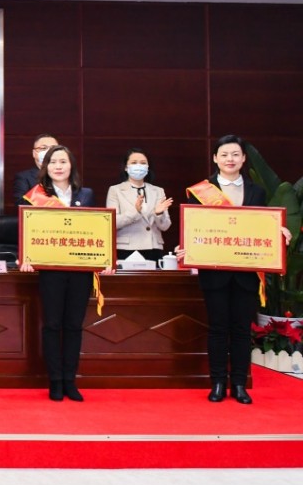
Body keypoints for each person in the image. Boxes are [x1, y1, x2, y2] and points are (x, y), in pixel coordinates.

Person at [184, 135, 291, 405]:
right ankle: (218, 383)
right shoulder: (202, 191)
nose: (229, 159)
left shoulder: (257, 192)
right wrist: (186, 248)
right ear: (215, 158)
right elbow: (194, 229)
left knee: (242, 329)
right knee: (218, 328)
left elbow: (263, 225)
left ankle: (240, 384)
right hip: (214, 273)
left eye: (235, 154)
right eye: (224, 154)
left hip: (246, 272)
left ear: (243, 159)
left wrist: (279, 233)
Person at [18, 145, 108, 402]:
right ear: (45, 167)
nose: (58, 166)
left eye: (63, 162)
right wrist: (27, 256)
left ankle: (70, 380)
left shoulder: (86, 195)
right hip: (51, 272)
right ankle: (55, 381)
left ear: (72, 166)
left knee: (73, 326)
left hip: (80, 271)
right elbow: (29, 231)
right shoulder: (36, 196)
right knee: (52, 325)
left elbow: (96, 229)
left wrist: (104, 258)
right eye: (53, 162)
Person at [105, 148, 173, 261]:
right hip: (126, 248)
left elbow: (165, 226)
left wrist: (158, 213)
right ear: (126, 167)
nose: (139, 166)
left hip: (153, 247)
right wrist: (135, 212)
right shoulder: (115, 190)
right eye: (134, 162)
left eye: (143, 163)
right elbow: (113, 222)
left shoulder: (158, 191)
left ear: (148, 167)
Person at [12, 133, 58, 206]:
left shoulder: (66, 175)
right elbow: (20, 204)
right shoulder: (24, 177)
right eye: (43, 148)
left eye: (53, 148)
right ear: (34, 153)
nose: (49, 151)